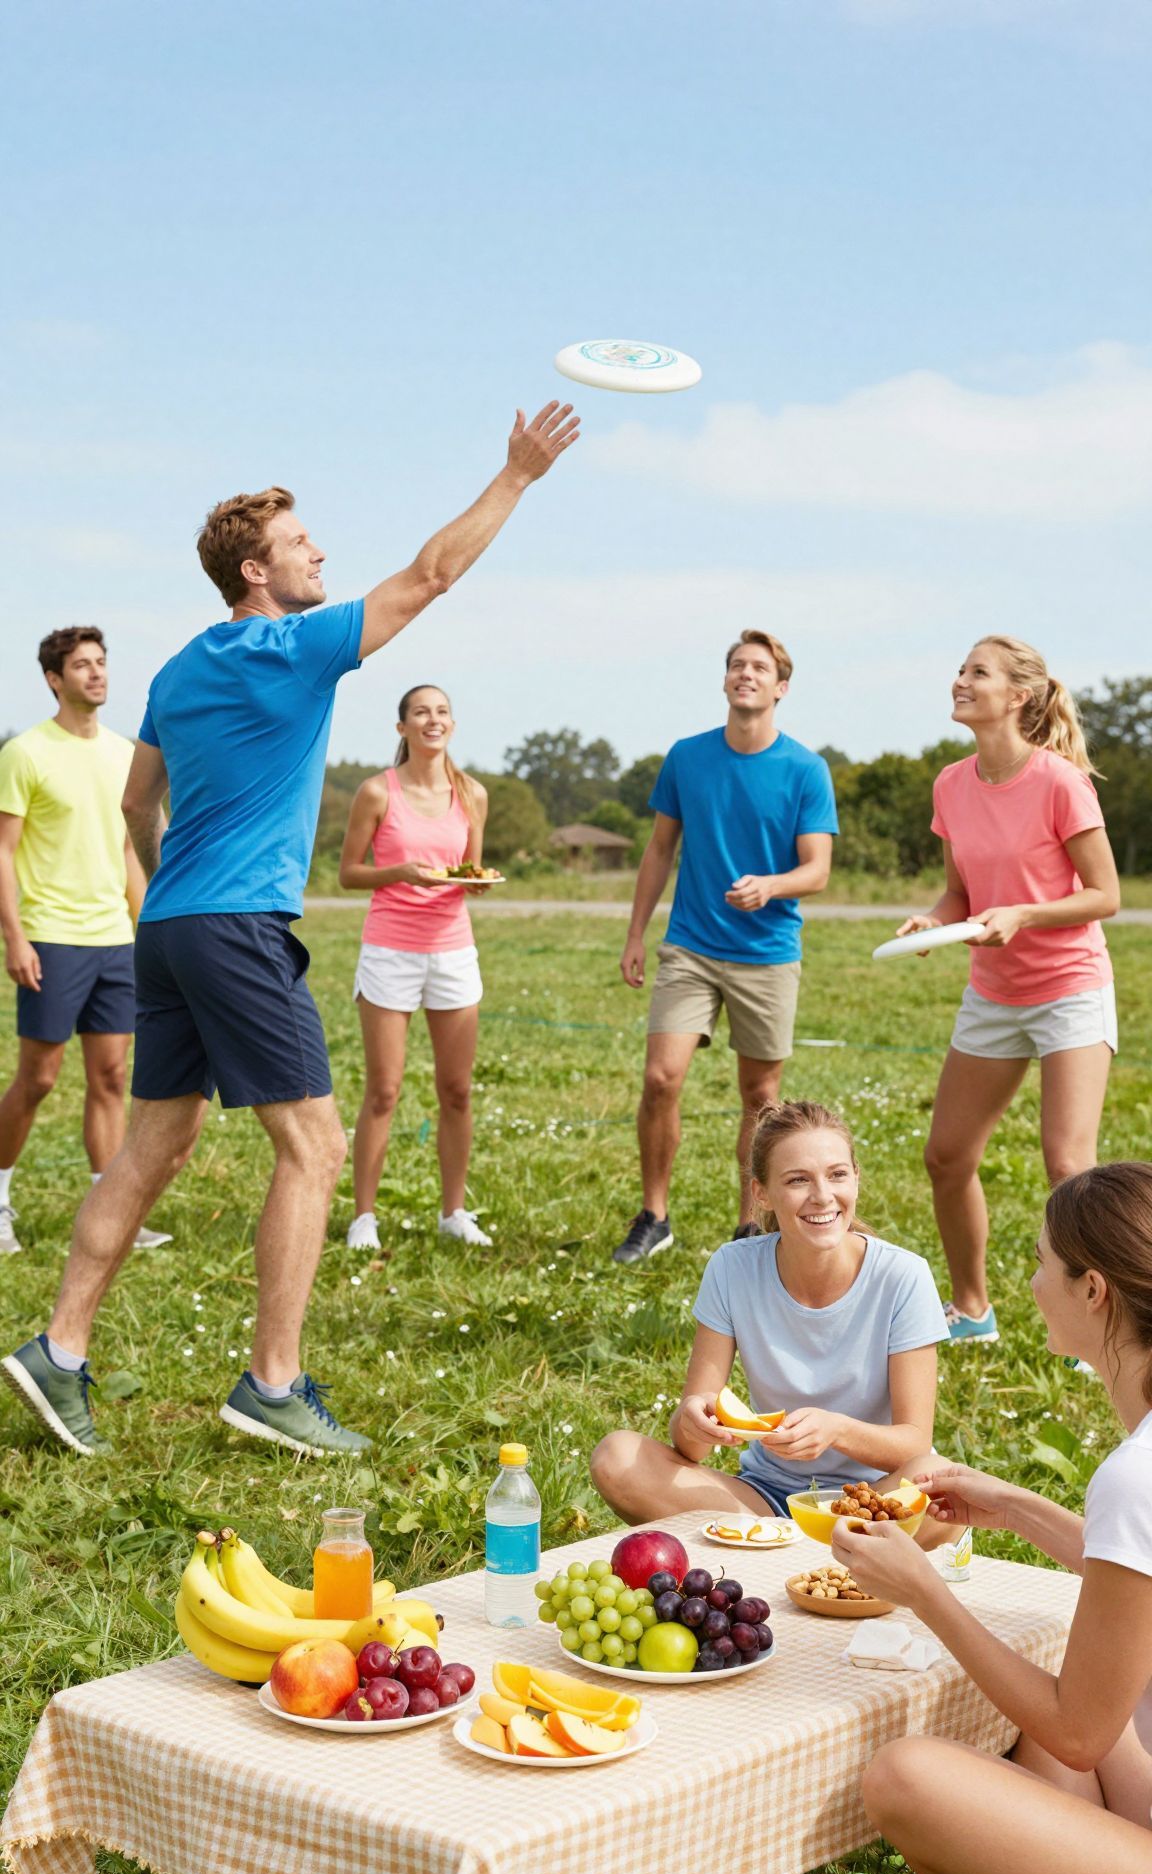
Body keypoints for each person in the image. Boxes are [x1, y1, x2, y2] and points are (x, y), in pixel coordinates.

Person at [0, 401, 579, 1458]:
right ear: (255, 571)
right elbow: (432, 574)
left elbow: (136, 800)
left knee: (154, 1142)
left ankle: (60, 1348)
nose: (320, 554)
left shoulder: (179, 670)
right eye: (302, 543)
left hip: (169, 927)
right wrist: (518, 476)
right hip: (235, 928)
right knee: (312, 1145)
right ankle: (272, 1384)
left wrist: (174, 884)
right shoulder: (294, 647)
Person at [837, 1163, 1152, 1874]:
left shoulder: (1136, 1477)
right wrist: (1012, 1506)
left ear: (1094, 1290)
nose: (1031, 1281)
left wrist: (924, 1592)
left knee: (907, 1778)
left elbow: (1079, 1733)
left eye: (1042, 1262)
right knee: (1070, 1678)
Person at [897, 636, 1120, 1342]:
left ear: (1018, 696)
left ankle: (1100, 1328)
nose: (960, 680)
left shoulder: (1060, 782)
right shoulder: (950, 784)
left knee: (1069, 1167)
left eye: (978, 672)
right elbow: (959, 893)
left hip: (1069, 987)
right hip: (994, 994)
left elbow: (1105, 895)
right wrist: (934, 922)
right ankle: (972, 1310)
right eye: (960, 669)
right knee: (946, 1157)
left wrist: (1023, 914)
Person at [591, 1100, 951, 1526]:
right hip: (764, 1498)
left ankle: (792, 1546)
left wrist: (836, 1431)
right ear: (761, 1193)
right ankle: (796, 1543)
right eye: (798, 1180)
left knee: (938, 1480)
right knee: (617, 1457)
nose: (823, 1195)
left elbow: (914, 1443)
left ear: (856, 1177)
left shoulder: (903, 1276)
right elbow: (692, 1445)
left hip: (875, 1501)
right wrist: (693, 1422)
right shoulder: (733, 1268)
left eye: (837, 1174)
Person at [612, 629, 837, 1264]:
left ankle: (749, 1227)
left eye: (759, 667)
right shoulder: (687, 757)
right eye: (737, 664)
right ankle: (654, 1216)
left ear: (780, 687)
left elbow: (817, 870)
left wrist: (771, 885)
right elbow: (660, 849)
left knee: (761, 1098)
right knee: (661, 1078)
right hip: (691, 945)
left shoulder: (805, 769)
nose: (746, 673)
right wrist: (636, 933)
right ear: (725, 680)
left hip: (767, 952)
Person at [0, 626, 170, 1257]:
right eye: (81, 665)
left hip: (113, 941)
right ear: (54, 679)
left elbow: (129, 851)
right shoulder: (25, 753)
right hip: (51, 937)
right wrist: (15, 937)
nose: (96, 673)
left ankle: (112, 1213)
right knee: (39, 1078)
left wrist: (150, 931)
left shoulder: (125, 754)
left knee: (111, 1076)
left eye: (101, 662)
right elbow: (3, 852)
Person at [339, 683, 491, 1250]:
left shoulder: (472, 794)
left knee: (457, 1090)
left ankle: (454, 1212)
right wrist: (398, 873)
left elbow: (471, 870)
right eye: (421, 712)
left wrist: (474, 881)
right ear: (402, 728)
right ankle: (364, 1218)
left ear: (453, 723)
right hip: (390, 951)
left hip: (452, 951)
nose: (434, 719)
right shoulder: (378, 792)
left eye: (442, 711)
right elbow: (348, 873)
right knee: (383, 1090)